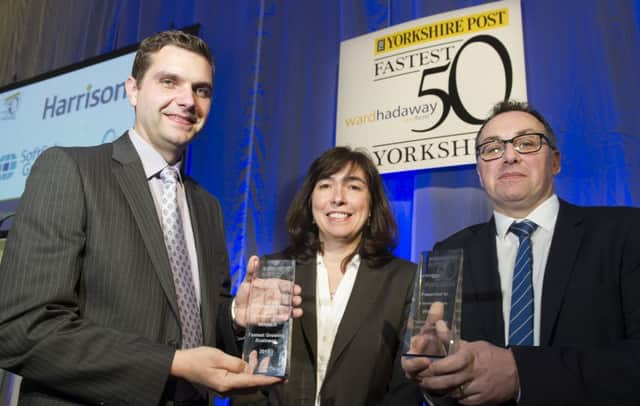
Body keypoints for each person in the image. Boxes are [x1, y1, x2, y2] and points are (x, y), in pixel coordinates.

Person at [0, 30, 300, 405]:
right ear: (133, 90)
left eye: (201, 89)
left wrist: (237, 314)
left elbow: (195, 329)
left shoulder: (207, 206)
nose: (187, 100)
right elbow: (23, 329)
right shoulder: (70, 170)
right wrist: (171, 364)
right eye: (169, 81)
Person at [402, 100, 640, 405]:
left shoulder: (626, 234)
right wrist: (433, 372)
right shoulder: (449, 251)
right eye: (492, 148)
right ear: (479, 172)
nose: (509, 156)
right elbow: (437, 375)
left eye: (526, 143)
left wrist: (520, 373)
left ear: (555, 161)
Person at [234, 147, 423, 405]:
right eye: (325, 185)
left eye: (353, 187)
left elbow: (406, 385)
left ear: (371, 206)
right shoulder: (274, 270)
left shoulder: (404, 279)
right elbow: (251, 376)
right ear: (311, 202)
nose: (338, 198)